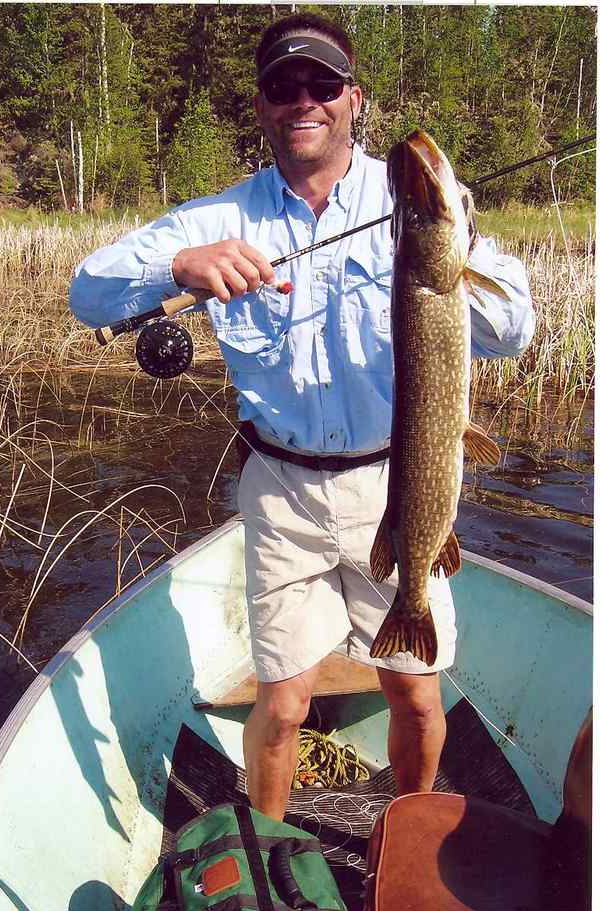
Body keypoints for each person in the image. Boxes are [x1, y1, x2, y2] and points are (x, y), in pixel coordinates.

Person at [70, 13, 534, 822]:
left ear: (352, 99)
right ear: (263, 106)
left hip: (398, 479)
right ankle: (273, 847)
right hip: (280, 490)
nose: (303, 102)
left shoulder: (416, 214)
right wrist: (178, 263)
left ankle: (410, 835)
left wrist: (461, 237)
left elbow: (514, 330)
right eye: (284, 88)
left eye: (322, 85)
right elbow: (88, 291)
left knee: (418, 696)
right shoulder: (222, 218)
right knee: (281, 705)